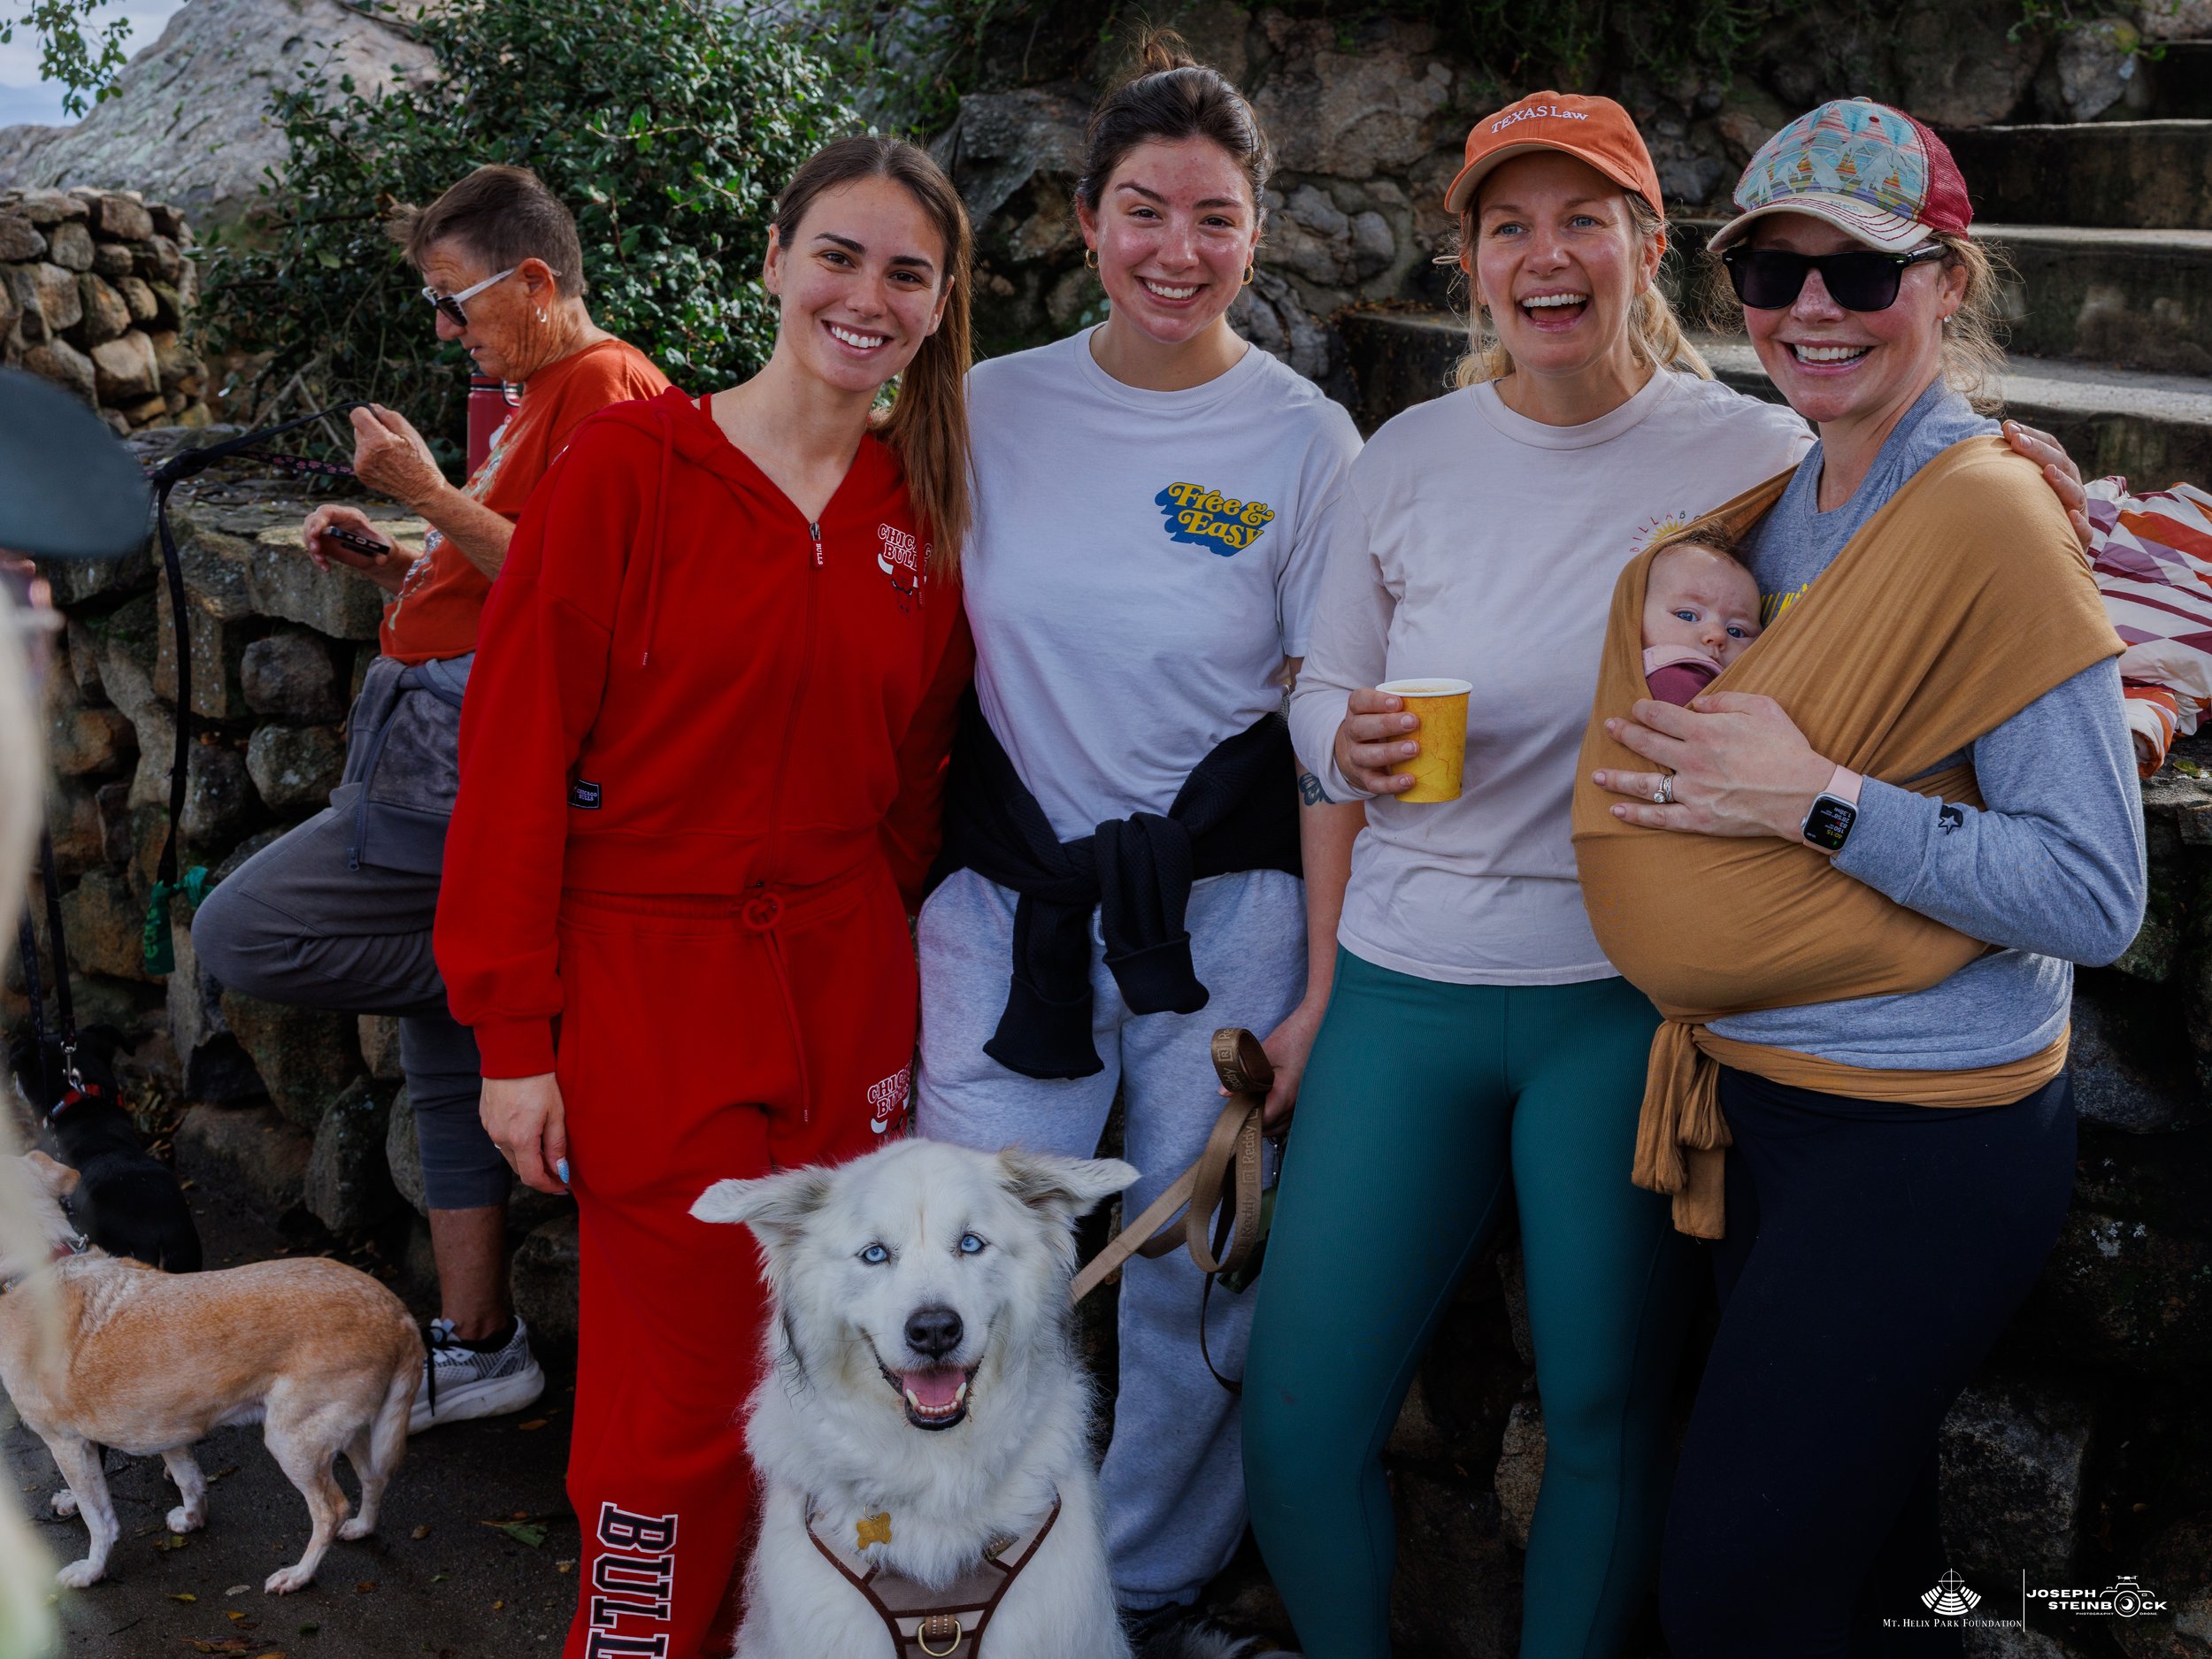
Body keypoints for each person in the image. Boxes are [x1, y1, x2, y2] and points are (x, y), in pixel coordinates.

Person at [1242, 91, 2093, 1659]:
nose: (1545, 255)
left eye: (1585, 220)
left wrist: (2027, 466)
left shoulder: (1760, 449)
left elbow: (1919, 516)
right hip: (1409, 980)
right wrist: (1335, 742)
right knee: (1294, 1430)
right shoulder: (1406, 458)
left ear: (1648, 251)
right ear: (1472, 263)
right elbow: (1318, 688)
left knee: (1610, 1414)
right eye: (1509, 227)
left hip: (1628, 1011)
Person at [1578, 99, 2146, 1656]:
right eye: (1770, 271)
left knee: (1738, 1593)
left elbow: (2098, 894)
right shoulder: (1794, 501)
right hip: (1765, 1111)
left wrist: (1819, 803)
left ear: (1947, 286)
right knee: (1873, 1578)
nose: (1811, 308)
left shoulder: (1984, 519)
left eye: (1861, 271)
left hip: (1917, 1149)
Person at [432, 135, 975, 1659]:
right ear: (775, 263)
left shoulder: (919, 513)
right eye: (839, 256)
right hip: (647, 996)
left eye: (906, 273)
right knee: (666, 1424)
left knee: (853, 1397)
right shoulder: (629, 471)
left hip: (847, 988)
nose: (866, 296)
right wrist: (514, 1035)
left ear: (941, 308)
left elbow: (914, 780)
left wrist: (860, 940)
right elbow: (517, 760)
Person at [913, 33, 1364, 1632]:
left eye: (1218, 218)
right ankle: (965, 1569)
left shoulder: (1307, 441)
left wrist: (1326, 972)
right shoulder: (986, 405)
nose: (1181, 253)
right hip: (1007, 900)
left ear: (1260, 233)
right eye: (1145, 211)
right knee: (967, 1259)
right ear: (1085, 222)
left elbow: (1329, 721)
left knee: (1188, 1268)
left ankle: (1148, 1579)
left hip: (1225, 913)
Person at [189, 164, 670, 1432]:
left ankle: (492, 963)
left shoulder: (610, 388)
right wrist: (402, 554)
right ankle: (483, 1341)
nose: (445, 329)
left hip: (462, 779)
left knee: (238, 930)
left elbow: (589, 587)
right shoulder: (536, 399)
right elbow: (503, 568)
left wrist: (421, 491)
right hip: (427, 751)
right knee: (453, 1042)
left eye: (456, 304)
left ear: (533, 281)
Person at [1640, 529, 1762, 704]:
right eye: (1687, 616)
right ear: (1636, 615)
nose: (1717, 634)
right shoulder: (1673, 677)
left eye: (1736, 631)